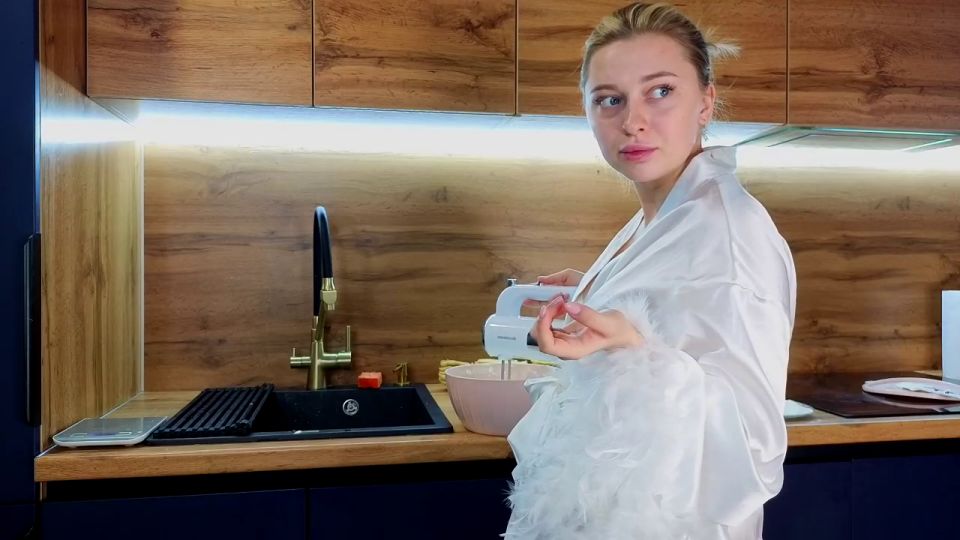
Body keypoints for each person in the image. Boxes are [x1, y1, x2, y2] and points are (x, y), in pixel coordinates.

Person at [505, 3, 797, 539]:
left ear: (706, 101)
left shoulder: (731, 235)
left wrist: (636, 347)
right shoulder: (666, 215)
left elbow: (754, 443)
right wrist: (599, 288)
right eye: (609, 99)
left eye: (660, 91)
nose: (632, 121)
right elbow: (678, 310)